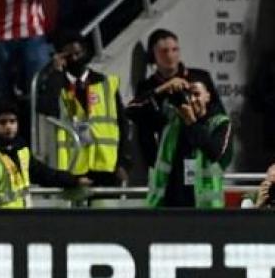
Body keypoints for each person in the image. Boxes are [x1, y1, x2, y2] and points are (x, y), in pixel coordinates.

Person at [37, 31, 131, 185]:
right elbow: (46, 110)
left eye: (77, 53)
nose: (74, 58)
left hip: (106, 166)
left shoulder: (105, 83)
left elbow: (123, 124)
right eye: (68, 55)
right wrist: (56, 74)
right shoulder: (56, 84)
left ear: (86, 52)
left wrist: (123, 162)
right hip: (72, 169)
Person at [128, 28, 224, 170]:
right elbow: (137, 119)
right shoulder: (148, 86)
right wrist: (163, 89)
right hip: (165, 158)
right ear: (153, 55)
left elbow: (217, 114)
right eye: (164, 51)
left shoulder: (199, 77)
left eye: (174, 50)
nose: (170, 55)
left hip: (197, 151)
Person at [0, 98, 90, 208]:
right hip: (1, 222)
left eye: (12, 121)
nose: (9, 126)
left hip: (22, 219)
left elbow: (43, 174)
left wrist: (74, 180)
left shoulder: (21, 150)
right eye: (2, 122)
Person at [145, 81, 232, 208]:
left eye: (197, 94)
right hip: (169, 204)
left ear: (207, 96)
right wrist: (164, 88)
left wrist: (191, 122)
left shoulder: (219, 123)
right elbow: (135, 111)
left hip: (204, 209)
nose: (192, 99)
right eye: (188, 95)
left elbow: (215, 153)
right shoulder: (172, 122)